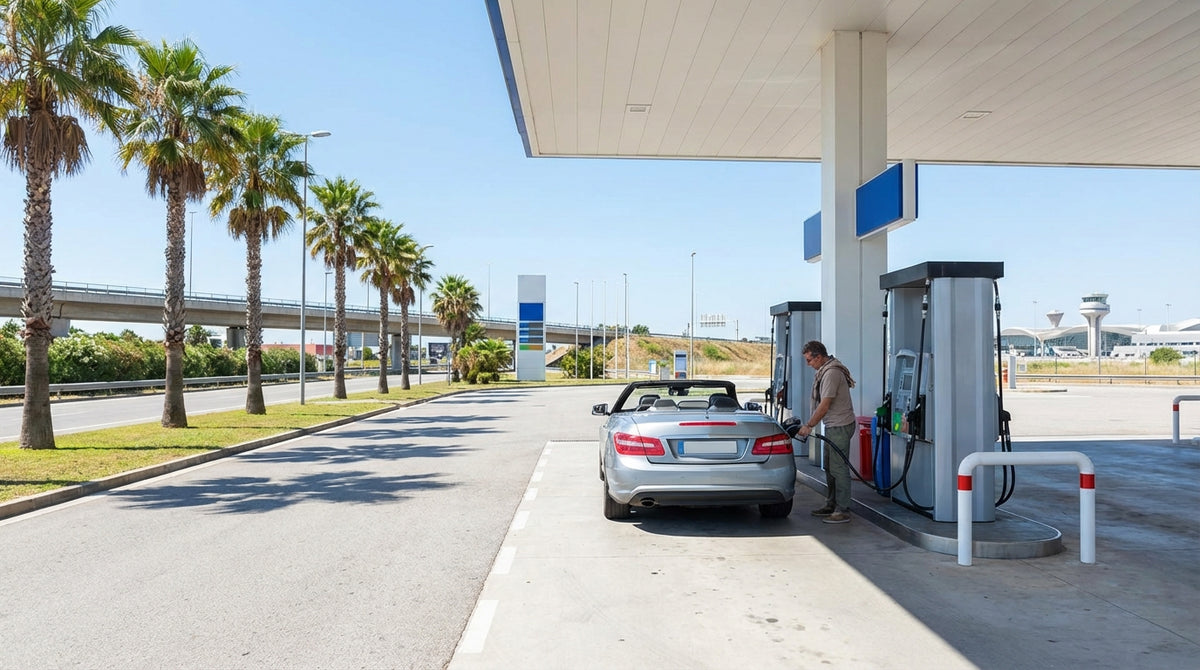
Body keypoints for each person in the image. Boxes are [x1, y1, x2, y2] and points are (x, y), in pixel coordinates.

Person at [794, 340, 856, 524]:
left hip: (840, 426)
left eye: (809, 360)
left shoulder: (831, 373)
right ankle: (831, 503)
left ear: (818, 356)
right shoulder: (825, 371)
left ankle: (843, 509)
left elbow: (825, 404)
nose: (808, 364)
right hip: (833, 425)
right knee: (830, 466)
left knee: (838, 468)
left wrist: (809, 425)